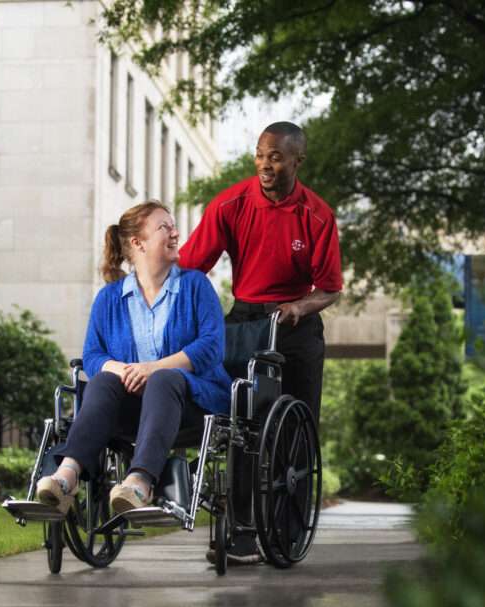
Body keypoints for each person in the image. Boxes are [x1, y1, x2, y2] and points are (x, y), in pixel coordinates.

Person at [180, 121, 343, 563]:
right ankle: (243, 536)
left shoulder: (316, 215)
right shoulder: (231, 204)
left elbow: (330, 288)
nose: (265, 164)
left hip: (298, 326)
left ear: (296, 161)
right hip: (248, 318)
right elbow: (192, 264)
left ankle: (287, 536)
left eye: (275, 156)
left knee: (295, 430)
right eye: (260, 154)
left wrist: (298, 307)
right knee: (242, 429)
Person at [36, 201, 231, 515]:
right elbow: (93, 355)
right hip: (132, 408)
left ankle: (140, 482)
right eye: (164, 227)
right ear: (138, 243)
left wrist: (151, 369)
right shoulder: (109, 298)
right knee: (104, 380)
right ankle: (66, 476)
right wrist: (124, 370)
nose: (176, 233)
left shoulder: (195, 286)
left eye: (173, 226)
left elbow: (211, 347)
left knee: (165, 378)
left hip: (194, 406)